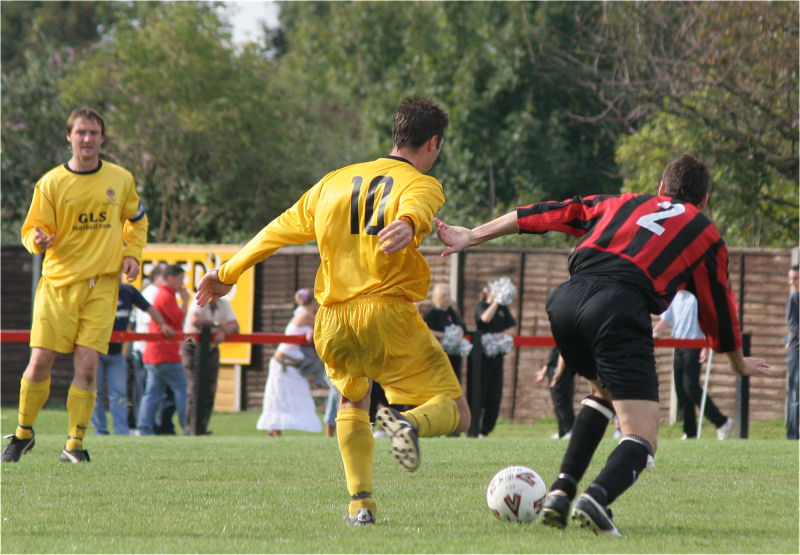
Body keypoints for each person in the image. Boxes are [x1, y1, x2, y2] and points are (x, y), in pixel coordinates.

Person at [435, 154, 770, 536]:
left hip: (565, 300)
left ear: (661, 188)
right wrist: (737, 361)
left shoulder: (622, 202)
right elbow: (717, 308)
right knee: (641, 436)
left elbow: (549, 212)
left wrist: (473, 235)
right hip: (618, 306)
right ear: (705, 201)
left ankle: (561, 491)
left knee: (602, 392)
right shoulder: (704, 233)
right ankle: (597, 498)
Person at [196, 96, 470, 526]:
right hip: (385, 312)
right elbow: (419, 206)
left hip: (333, 320)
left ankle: (361, 506)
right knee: (456, 410)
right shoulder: (423, 183)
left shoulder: (333, 182)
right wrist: (410, 223)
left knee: (351, 399)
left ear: (396, 134)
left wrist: (227, 273)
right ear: (433, 143)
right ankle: (409, 426)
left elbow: (276, 230)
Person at [2, 107, 148, 463]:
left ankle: (75, 445)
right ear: (69, 136)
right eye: (81, 132)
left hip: (102, 286)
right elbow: (29, 232)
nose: (87, 139)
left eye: (94, 133)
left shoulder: (120, 179)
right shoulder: (51, 183)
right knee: (39, 362)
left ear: (102, 138)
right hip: (58, 285)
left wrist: (132, 254)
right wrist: (38, 241)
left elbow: (138, 220)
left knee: (87, 366)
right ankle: (23, 433)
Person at [91, 278, 174, 435]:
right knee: (96, 393)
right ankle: (100, 430)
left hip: (116, 353)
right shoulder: (96, 289)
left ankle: (121, 430)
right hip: (96, 351)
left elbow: (149, 308)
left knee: (121, 396)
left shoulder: (128, 291)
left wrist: (162, 324)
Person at [652, 290, 733, 440]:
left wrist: (706, 346)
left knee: (691, 386)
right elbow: (664, 322)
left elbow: (708, 322)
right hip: (678, 346)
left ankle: (721, 421)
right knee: (680, 389)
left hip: (695, 345)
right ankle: (690, 432)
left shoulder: (697, 297)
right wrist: (653, 335)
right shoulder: (674, 297)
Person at [256, 289, 322, 436]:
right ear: (316, 302)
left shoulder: (304, 314)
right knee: (279, 398)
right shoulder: (305, 315)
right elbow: (324, 326)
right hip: (284, 364)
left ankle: (274, 430)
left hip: (292, 365)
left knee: (294, 398)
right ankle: (273, 429)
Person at [136, 264, 190, 435]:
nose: (181, 284)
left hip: (154, 354)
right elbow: (179, 317)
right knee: (182, 389)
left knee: (152, 394)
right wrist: (186, 300)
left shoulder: (164, 294)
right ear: (171, 278)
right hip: (165, 354)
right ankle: (188, 426)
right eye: (180, 279)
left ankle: (144, 429)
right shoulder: (166, 295)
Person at [182, 295, 239, 435]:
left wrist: (223, 331)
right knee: (194, 387)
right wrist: (218, 324)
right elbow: (194, 320)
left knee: (210, 389)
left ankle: (202, 427)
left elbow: (235, 325)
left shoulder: (224, 304)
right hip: (191, 345)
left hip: (211, 348)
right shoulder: (198, 301)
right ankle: (190, 428)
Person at [473, 284, 516, 437]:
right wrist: (495, 302)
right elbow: (484, 319)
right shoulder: (481, 305)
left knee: (495, 394)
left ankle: (486, 430)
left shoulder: (503, 308)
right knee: (481, 392)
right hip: (483, 357)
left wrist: (501, 335)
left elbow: (512, 327)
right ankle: (474, 429)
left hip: (497, 355)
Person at [129, 262, 168, 429]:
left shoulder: (155, 293)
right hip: (145, 350)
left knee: (150, 392)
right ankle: (142, 425)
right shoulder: (152, 293)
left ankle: (147, 425)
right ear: (158, 277)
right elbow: (149, 322)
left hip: (152, 351)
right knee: (145, 392)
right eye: (165, 276)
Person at [424, 283, 468, 383]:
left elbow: (460, 324)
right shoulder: (432, 313)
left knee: (455, 379)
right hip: (440, 353)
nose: (447, 298)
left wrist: (460, 333)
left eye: (448, 295)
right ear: (437, 297)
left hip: (454, 353)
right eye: (444, 296)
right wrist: (444, 335)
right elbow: (426, 331)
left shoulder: (451, 311)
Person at [535, 347, 575, 440]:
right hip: (554, 370)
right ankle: (562, 431)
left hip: (561, 371)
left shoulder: (564, 336)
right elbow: (552, 358)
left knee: (562, 401)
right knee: (557, 402)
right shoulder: (557, 339)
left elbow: (563, 354)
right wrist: (543, 372)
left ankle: (569, 429)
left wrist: (559, 372)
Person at [785, 264, 799, 440]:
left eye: (796, 278)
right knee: (795, 394)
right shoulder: (794, 298)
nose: (792, 282)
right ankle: (793, 435)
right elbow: (792, 324)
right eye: (790, 279)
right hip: (797, 352)